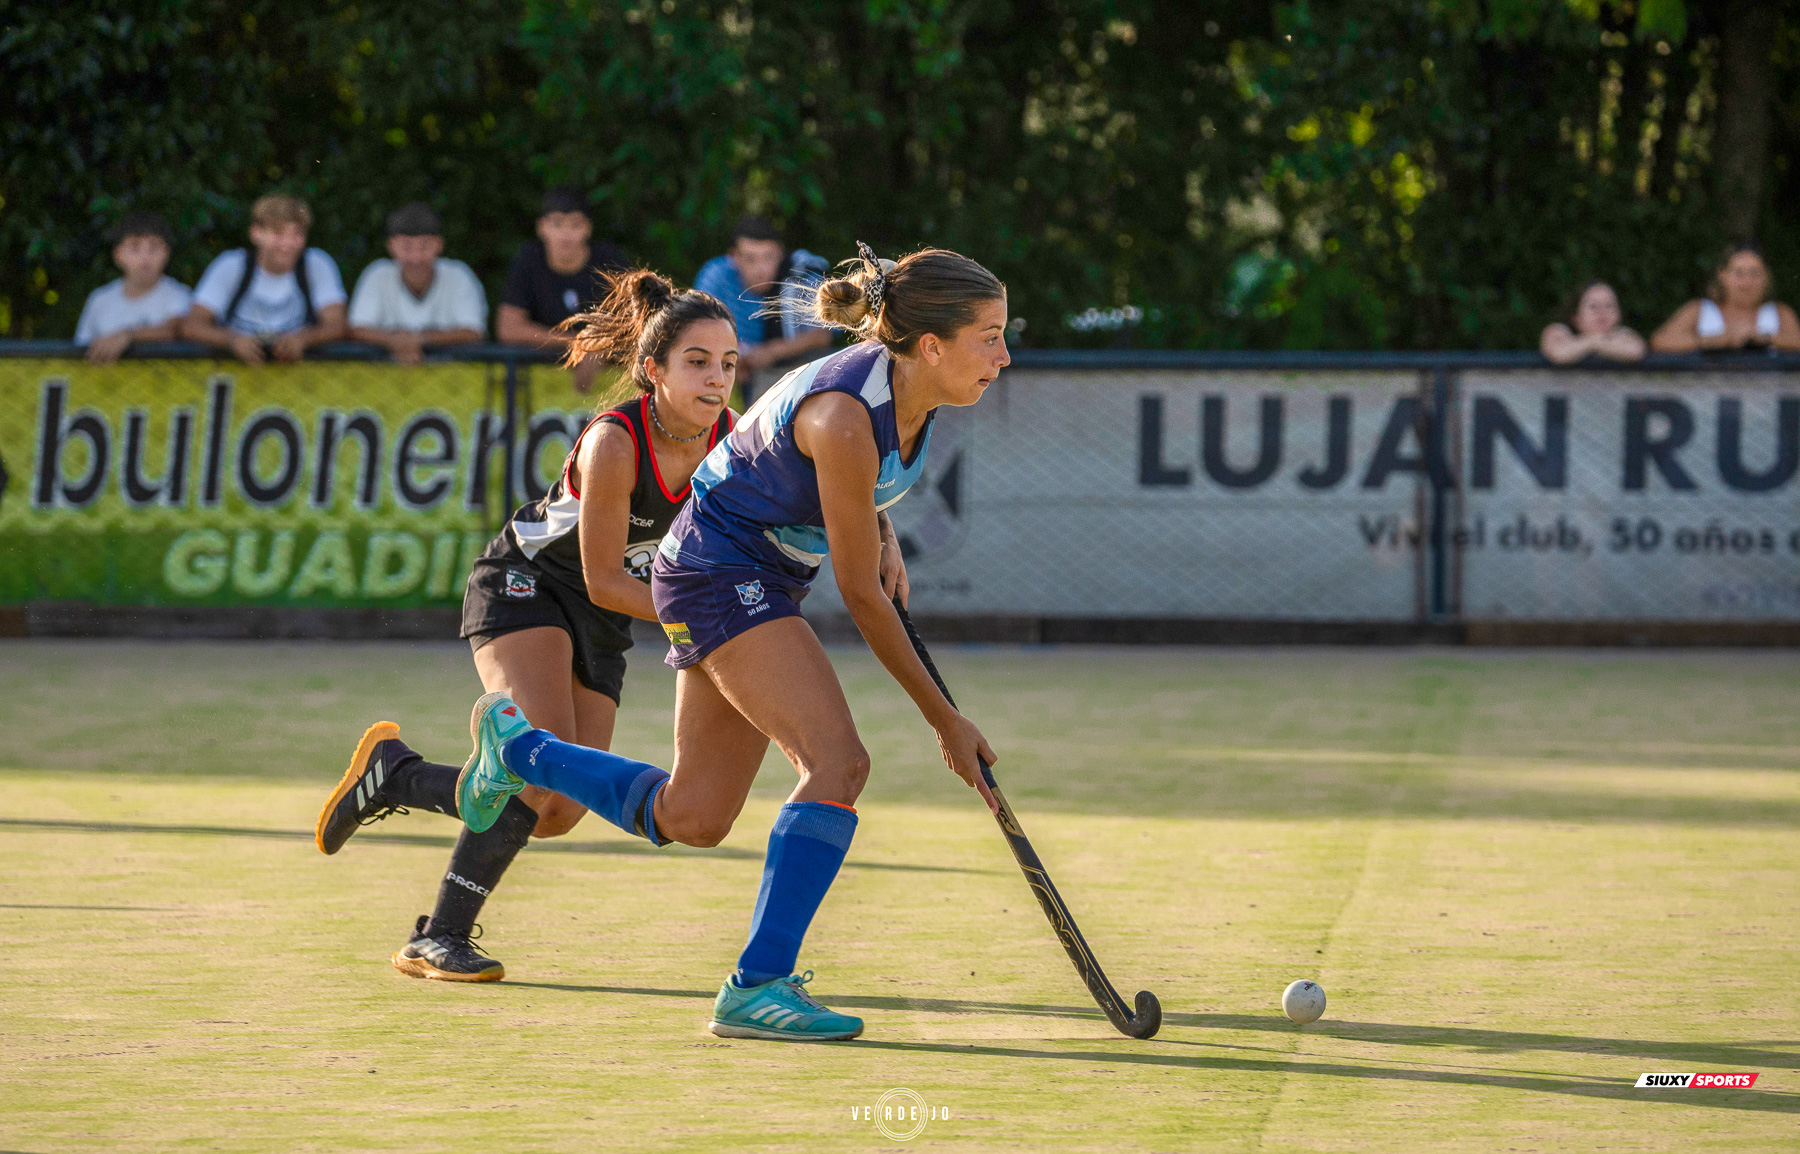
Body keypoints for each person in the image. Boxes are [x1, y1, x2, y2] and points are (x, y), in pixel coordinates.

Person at [455, 245, 1010, 1042]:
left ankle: (521, 753)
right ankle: (758, 985)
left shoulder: (893, 394)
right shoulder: (849, 412)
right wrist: (943, 721)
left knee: (696, 815)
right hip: (720, 572)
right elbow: (858, 595)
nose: (1003, 354)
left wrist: (878, 525)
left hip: (744, 571)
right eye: (988, 336)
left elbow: (803, 465)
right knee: (838, 763)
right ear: (930, 345)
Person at [314, 271, 738, 981]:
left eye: (728, 363)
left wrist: (877, 533)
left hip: (602, 620)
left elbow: (811, 472)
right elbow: (604, 576)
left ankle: (397, 776)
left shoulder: (728, 439)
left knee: (559, 811)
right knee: (534, 769)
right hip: (528, 588)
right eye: (697, 361)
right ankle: (438, 936)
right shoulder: (616, 443)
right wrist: (698, 618)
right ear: (652, 369)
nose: (717, 378)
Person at [181, 195, 348, 364]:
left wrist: (304, 338)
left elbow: (337, 325)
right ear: (256, 233)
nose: (287, 244)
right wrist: (232, 340)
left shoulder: (317, 264)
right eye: (278, 233)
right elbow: (192, 325)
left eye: (297, 234)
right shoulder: (231, 265)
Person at [496, 187, 629, 390]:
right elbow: (509, 328)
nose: (565, 234)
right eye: (557, 224)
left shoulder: (611, 263)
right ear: (542, 227)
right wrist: (581, 344)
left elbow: (636, 324)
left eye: (575, 225)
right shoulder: (528, 261)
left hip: (611, 389)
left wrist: (603, 349)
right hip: (540, 388)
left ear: (588, 228)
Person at [694, 215, 832, 381]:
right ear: (734, 257)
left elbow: (821, 335)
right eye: (751, 259)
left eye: (768, 257)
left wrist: (770, 352)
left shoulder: (800, 273)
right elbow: (697, 328)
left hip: (789, 370)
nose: (761, 269)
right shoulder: (715, 276)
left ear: (780, 253)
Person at [347, 202, 487, 363]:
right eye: (406, 247)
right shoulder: (377, 274)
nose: (416, 257)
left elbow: (473, 332)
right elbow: (357, 329)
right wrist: (396, 342)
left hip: (452, 381)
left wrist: (419, 340)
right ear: (391, 246)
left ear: (439, 244)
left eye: (425, 246)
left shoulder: (459, 275)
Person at [74, 211, 194, 365]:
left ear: (166, 253)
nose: (145, 257)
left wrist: (128, 336)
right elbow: (80, 350)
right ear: (118, 254)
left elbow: (178, 329)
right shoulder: (99, 300)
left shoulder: (180, 296)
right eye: (135, 247)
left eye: (154, 247)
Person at [1651, 243, 1800, 353]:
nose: (1746, 283)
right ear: (1723, 275)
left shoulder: (1780, 313)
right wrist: (1710, 341)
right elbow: (1660, 341)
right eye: (1739, 274)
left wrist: (1764, 338)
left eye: (1754, 273)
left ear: (1766, 276)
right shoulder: (1699, 310)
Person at [1538, 280, 1645, 363]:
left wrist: (1594, 343)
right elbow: (1558, 353)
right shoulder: (1560, 331)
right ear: (1576, 317)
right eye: (1593, 306)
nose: (1602, 312)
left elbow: (1636, 351)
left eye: (1609, 305)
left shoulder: (1623, 334)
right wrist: (1594, 341)